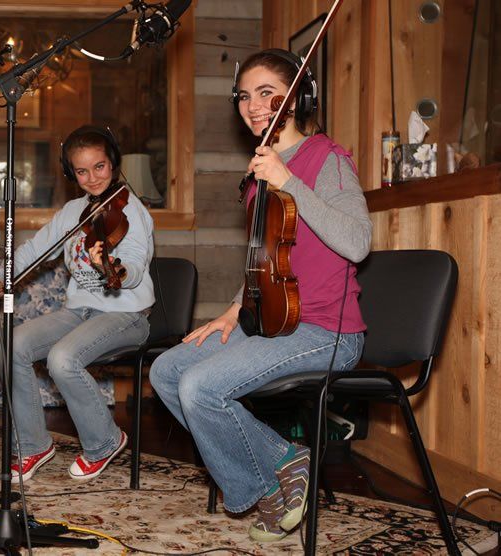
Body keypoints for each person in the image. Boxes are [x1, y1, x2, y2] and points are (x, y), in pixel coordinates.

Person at [149, 49, 372, 542]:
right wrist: (232, 311)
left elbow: (358, 243)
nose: (252, 106)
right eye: (245, 95)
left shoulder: (327, 159)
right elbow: (266, 257)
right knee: (167, 371)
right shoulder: (258, 173)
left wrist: (288, 181)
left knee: (200, 387)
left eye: (267, 93)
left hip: (326, 331)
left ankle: (275, 475)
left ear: (299, 98)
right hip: (272, 321)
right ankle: (277, 472)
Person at [0, 125, 155, 482]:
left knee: (62, 358)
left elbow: (136, 262)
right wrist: (2, 276)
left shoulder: (133, 211)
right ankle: (33, 445)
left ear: (113, 163)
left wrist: (117, 269)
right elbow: (34, 249)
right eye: (82, 171)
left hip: (126, 314)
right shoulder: (73, 211)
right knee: (11, 345)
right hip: (79, 311)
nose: (93, 178)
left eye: (99, 166)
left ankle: (105, 441)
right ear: (71, 173)